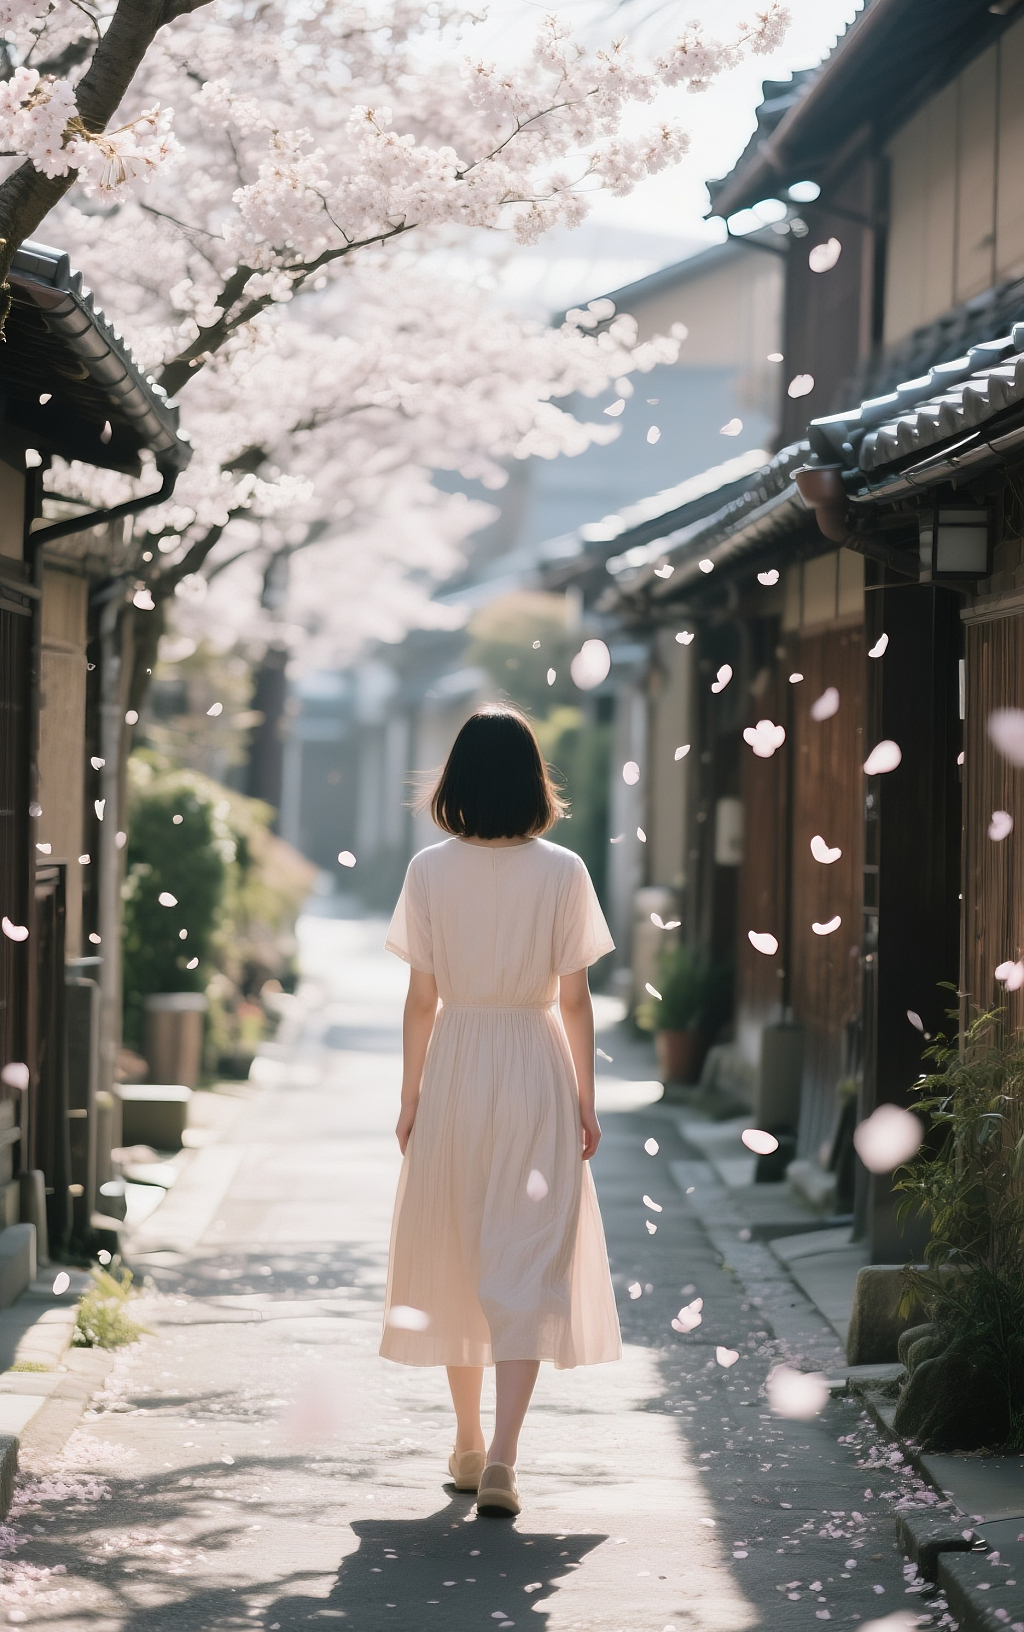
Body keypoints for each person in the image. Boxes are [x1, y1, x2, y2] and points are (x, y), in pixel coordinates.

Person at [380, 704, 622, 1517]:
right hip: (534, 1064)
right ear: (532, 782)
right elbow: (576, 1001)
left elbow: (421, 1000)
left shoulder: (427, 871)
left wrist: (411, 1096)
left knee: (457, 1248)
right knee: (527, 1258)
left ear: (456, 780)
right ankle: (505, 1461)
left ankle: (466, 1440)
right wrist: (586, 1100)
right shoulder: (564, 871)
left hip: (456, 1064)